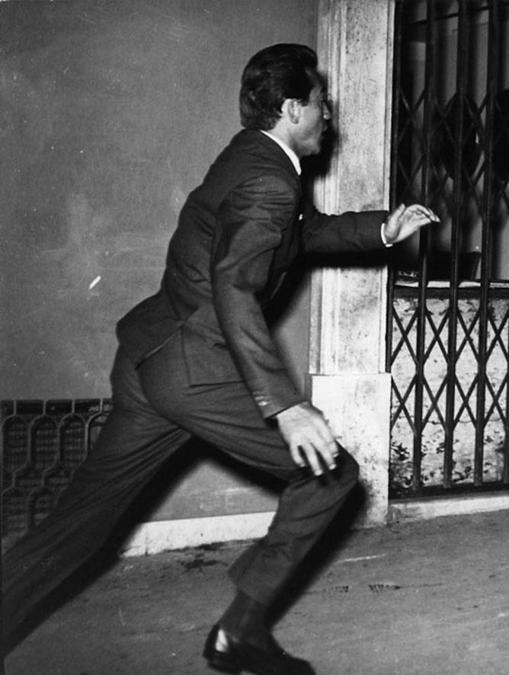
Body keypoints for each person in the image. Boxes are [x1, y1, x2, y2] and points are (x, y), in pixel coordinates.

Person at [1, 43, 438, 674]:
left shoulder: (254, 157)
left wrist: (381, 230)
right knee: (329, 475)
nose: (329, 117)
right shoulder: (268, 179)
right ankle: (241, 629)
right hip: (196, 369)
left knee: (79, 526)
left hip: (154, 358)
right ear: (292, 108)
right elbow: (235, 286)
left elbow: (300, 232)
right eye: (321, 105)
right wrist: (284, 404)